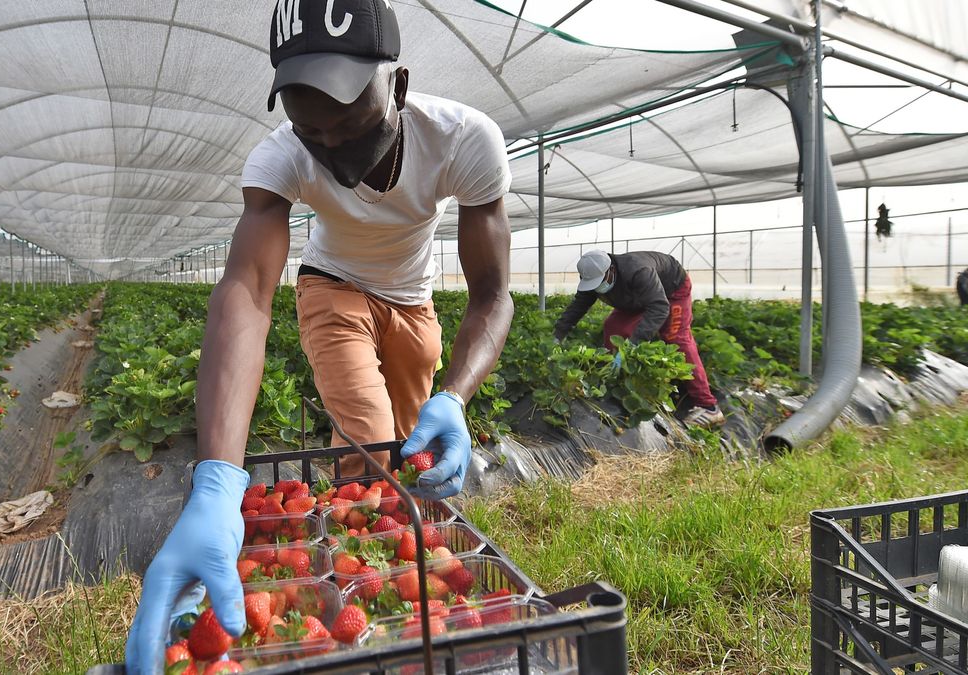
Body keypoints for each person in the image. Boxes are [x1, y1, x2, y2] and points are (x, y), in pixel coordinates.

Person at [123, 0, 514, 671]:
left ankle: (389, 560)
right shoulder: (282, 158)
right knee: (366, 430)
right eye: (313, 131)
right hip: (331, 284)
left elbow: (492, 294)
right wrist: (217, 479)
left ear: (399, 84)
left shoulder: (463, 138)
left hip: (413, 299)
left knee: (413, 437)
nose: (332, 146)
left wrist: (455, 394)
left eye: (352, 124)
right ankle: (352, 591)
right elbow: (246, 291)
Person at [553, 249, 724, 428]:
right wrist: (557, 336)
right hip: (638, 297)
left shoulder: (638, 271)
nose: (597, 287)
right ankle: (617, 385)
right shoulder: (592, 279)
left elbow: (659, 307)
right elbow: (577, 308)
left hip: (671, 289)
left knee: (675, 336)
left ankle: (708, 406)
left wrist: (633, 344)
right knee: (613, 328)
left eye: (600, 282)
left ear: (610, 270)